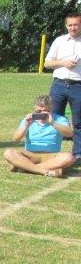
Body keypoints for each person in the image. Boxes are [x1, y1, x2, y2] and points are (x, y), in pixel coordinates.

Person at [3, 95, 74, 177]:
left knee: (69, 157)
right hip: (30, 155)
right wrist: (26, 125)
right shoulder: (29, 119)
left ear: (51, 109)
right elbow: (15, 139)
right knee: (9, 153)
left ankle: (25, 167)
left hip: (51, 156)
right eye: (39, 111)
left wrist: (53, 123)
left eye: (45, 111)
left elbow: (69, 134)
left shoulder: (60, 119)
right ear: (35, 108)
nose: (42, 114)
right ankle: (45, 171)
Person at [43, 12, 81, 160]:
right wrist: (62, 63)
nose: (73, 28)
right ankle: (51, 152)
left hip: (78, 86)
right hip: (59, 85)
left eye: (76, 25)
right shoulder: (59, 41)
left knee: (78, 122)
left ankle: (78, 154)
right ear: (66, 26)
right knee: (53, 119)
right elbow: (47, 63)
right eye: (70, 25)